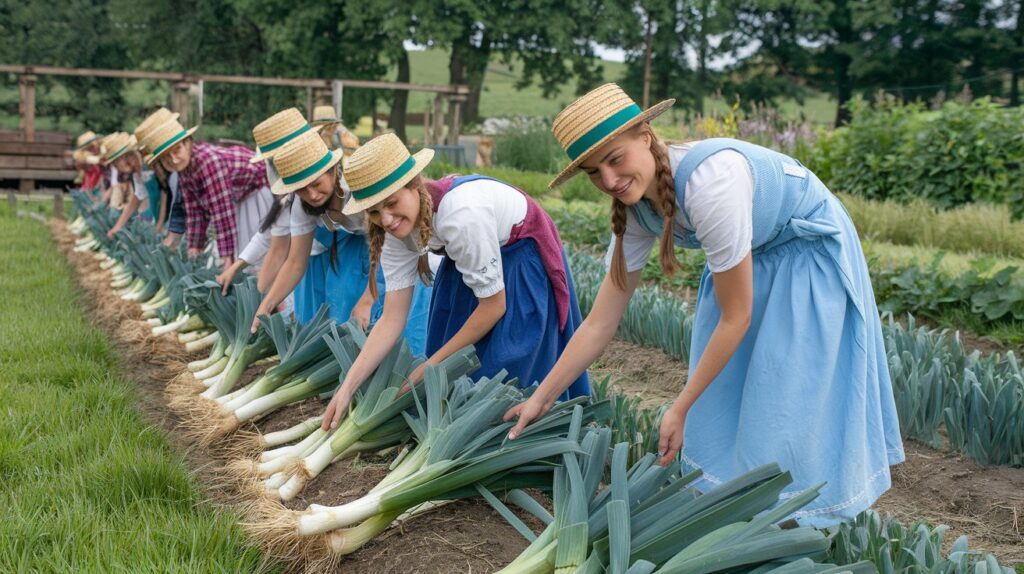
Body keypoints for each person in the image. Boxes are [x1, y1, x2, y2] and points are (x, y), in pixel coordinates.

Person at [503, 83, 904, 527]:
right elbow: (601, 320)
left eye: (615, 159)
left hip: (804, 254)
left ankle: (801, 521)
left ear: (646, 135)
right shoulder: (635, 210)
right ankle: (740, 514)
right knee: (726, 391)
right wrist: (541, 398)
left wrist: (679, 407)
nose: (610, 181)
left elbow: (737, 316)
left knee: (786, 392)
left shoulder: (713, 183)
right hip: (756, 251)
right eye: (594, 173)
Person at [319, 133, 590, 431]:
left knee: (505, 366)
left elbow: (494, 307)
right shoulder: (394, 229)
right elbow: (392, 317)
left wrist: (429, 367)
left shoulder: (461, 215)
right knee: (456, 372)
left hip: (519, 263)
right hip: (464, 264)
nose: (386, 219)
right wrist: (347, 387)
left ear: (415, 184)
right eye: (374, 211)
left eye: (392, 203)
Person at [251, 130, 432, 347]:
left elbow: (390, 243)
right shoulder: (302, 206)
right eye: (302, 190)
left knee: (397, 321)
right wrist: (267, 303)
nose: (312, 195)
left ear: (332, 171)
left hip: (395, 250)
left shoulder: (356, 192)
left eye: (317, 184)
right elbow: (295, 262)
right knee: (351, 321)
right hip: (356, 253)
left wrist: (368, 298)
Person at [141, 116, 273, 271]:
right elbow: (194, 211)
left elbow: (222, 212)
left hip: (256, 192)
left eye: (176, 150)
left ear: (187, 143)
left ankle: (263, 290)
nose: (174, 159)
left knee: (254, 255)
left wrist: (227, 258)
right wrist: (194, 248)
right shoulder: (185, 168)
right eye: (166, 157)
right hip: (238, 199)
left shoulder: (208, 161)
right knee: (242, 254)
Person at [104, 132, 164, 239]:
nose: (116, 167)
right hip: (156, 212)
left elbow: (165, 194)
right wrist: (117, 227)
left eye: (116, 162)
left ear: (127, 157)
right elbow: (136, 198)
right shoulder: (136, 173)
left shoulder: (150, 166)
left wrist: (159, 223)